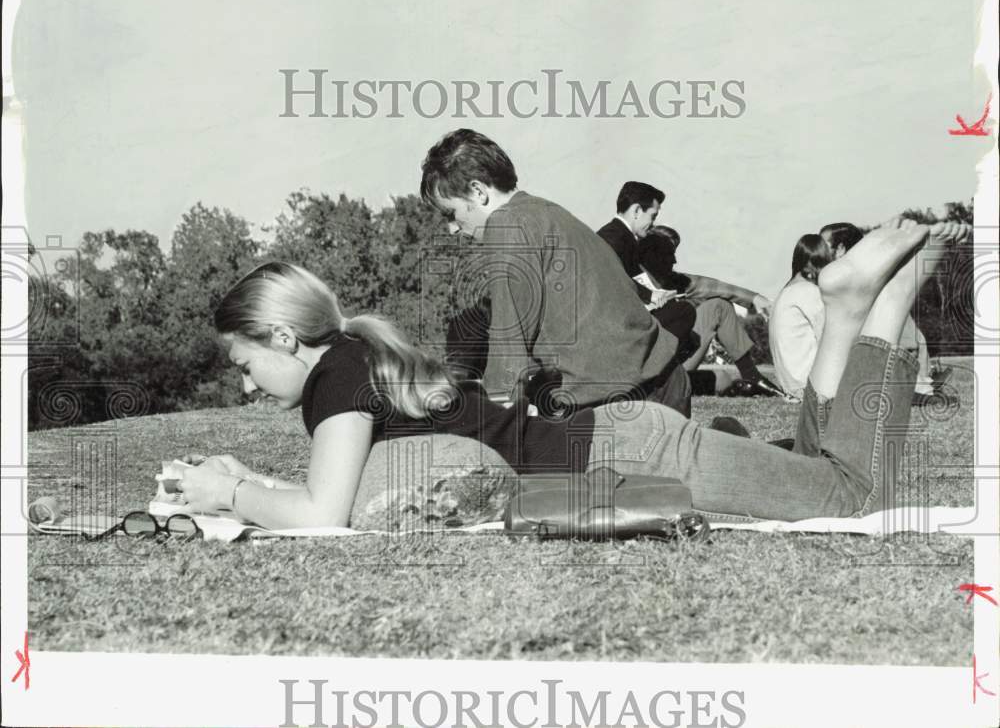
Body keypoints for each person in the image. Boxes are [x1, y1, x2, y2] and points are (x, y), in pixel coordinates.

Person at [176, 219, 970, 528]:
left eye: (245, 363)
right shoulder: (354, 360)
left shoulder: (333, 379)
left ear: (281, 336)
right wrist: (246, 472)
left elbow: (322, 512)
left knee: (850, 494)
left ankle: (879, 306)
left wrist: (232, 493)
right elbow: (339, 486)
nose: (247, 385)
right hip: (619, 442)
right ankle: (852, 310)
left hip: (623, 458)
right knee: (814, 470)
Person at [419, 129, 692, 418]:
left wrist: (489, 423)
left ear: (478, 191)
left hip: (629, 404)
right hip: (666, 382)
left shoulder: (506, 225)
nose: (452, 228)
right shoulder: (551, 213)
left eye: (451, 213)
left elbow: (508, 350)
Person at [637, 224, 788, 398]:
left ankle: (752, 376)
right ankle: (672, 385)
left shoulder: (674, 280)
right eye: (670, 254)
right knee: (721, 381)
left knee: (719, 307)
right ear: (652, 254)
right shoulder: (631, 280)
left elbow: (713, 287)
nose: (675, 261)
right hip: (646, 366)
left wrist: (755, 298)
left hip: (674, 360)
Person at [820, 221, 941, 403]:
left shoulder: (861, 291)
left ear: (840, 249)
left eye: (823, 247)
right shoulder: (872, 285)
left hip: (898, 384)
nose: (817, 253)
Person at [595, 183, 699, 354]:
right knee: (685, 312)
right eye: (652, 216)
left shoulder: (618, 235)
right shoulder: (615, 238)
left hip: (618, 317)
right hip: (614, 325)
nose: (652, 224)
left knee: (688, 332)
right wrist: (652, 296)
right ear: (636, 211)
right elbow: (613, 281)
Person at [768, 234, 834, 399]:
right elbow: (829, 340)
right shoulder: (808, 292)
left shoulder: (785, 292)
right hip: (808, 385)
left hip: (790, 385)